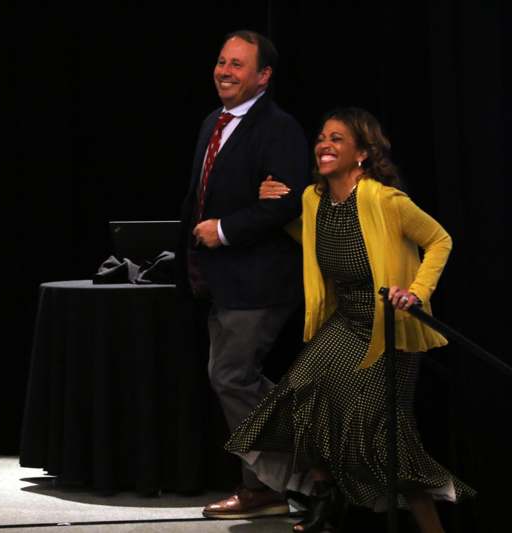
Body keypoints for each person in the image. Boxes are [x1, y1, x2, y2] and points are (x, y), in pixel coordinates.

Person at [225, 107, 475, 533]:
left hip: (387, 328)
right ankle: (325, 499)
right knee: (302, 398)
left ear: (361, 153)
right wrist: (277, 201)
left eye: (337, 138)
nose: (324, 144)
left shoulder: (383, 198)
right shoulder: (313, 198)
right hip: (344, 322)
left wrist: (416, 292)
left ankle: (431, 528)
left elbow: (439, 239)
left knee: (384, 437)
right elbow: (313, 237)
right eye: (322, 137)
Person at [175, 29, 309, 519]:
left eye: (237, 65)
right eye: (221, 61)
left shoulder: (279, 128)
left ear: (263, 76)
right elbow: (203, 197)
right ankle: (265, 486)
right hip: (215, 279)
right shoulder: (214, 121)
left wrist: (226, 228)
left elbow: (291, 201)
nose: (224, 71)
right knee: (234, 377)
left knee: (231, 375)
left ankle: (302, 465)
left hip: (261, 280)